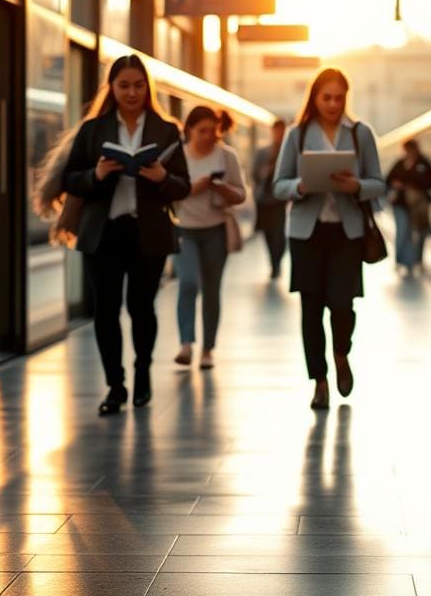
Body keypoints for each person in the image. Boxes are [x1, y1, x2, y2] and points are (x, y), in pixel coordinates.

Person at [63, 54, 190, 415]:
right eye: (124, 85)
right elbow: (70, 178)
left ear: (147, 87)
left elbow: (183, 186)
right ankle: (115, 385)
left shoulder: (167, 130)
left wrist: (162, 178)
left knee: (141, 307)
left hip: (148, 232)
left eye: (138, 85)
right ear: (112, 88)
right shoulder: (93, 130)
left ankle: (143, 374)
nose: (132, 92)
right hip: (103, 232)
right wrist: (97, 174)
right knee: (105, 310)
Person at [273, 68, 384, 410]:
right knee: (310, 310)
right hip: (307, 234)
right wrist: (301, 186)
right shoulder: (297, 133)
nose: (333, 104)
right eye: (326, 97)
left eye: (339, 97)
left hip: (346, 233)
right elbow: (278, 186)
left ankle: (340, 353)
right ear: (315, 98)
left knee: (341, 304)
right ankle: (319, 382)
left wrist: (357, 187)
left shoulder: (360, 134)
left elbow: (379, 184)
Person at [173, 105, 246, 370]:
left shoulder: (227, 156)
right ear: (189, 129)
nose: (208, 136)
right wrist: (197, 187)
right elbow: (168, 191)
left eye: (213, 132)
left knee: (212, 290)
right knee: (188, 283)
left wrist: (221, 187)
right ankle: (186, 343)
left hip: (216, 230)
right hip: (185, 230)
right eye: (202, 131)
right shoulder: (178, 156)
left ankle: (207, 349)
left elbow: (241, 195)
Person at [386, 138, 431, 277]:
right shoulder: (400, 163)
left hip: (418, 205)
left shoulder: (424, 163)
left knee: (420, 234)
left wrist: (414, 185)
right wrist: (398, 185)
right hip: (401, 204)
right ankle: (402, 261)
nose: (409, 152)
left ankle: (417, 260)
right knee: (403, 231)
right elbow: (388, 179)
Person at [252, 119, 288, 280]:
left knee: (279, 234)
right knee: (267, 233)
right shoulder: (263, 152)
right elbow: (254, 174)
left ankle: (277, 262)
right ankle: (273, 264)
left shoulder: (287, 152)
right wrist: (264, 172)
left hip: (280, 200)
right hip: (264, 199)